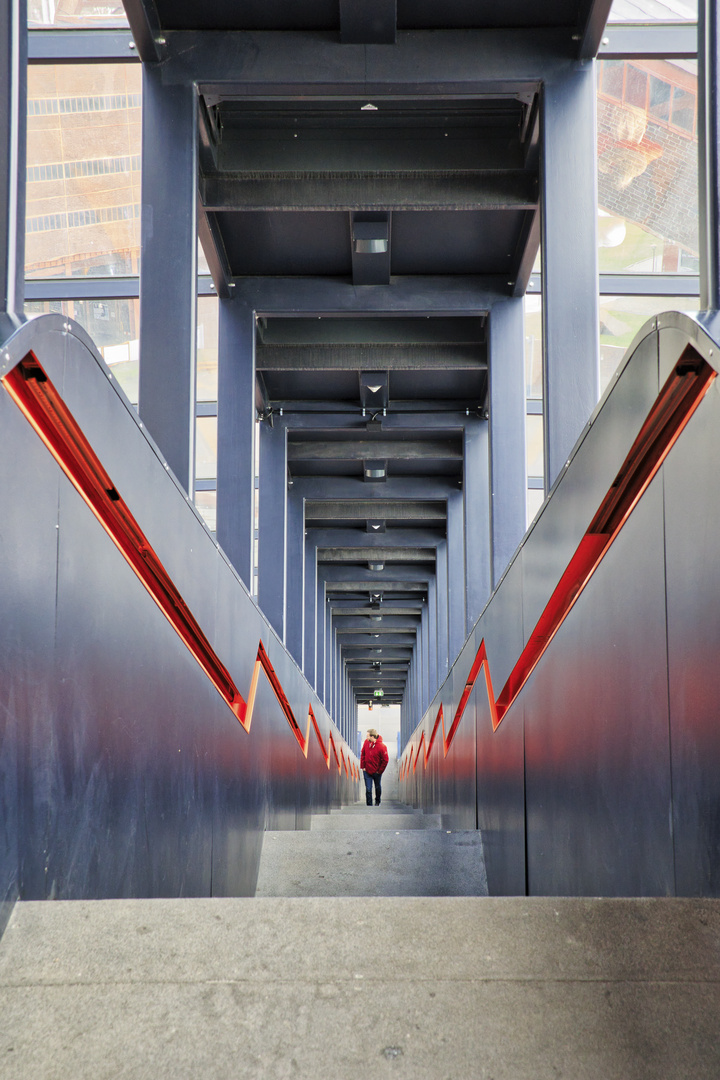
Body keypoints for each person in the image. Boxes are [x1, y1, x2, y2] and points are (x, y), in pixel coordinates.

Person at [360, 728, 389, 806]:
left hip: (376, 772)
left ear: (372, 737)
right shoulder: (366, 743)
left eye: (368, 736)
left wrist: (379, 771)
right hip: (367, 770)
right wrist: (363, 767)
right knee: (368, 789)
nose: (366, 738)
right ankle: (369, 805)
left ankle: (377, 802)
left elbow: (385, 760)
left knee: (377, 787)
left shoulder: (382, 747)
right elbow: (363, 754)